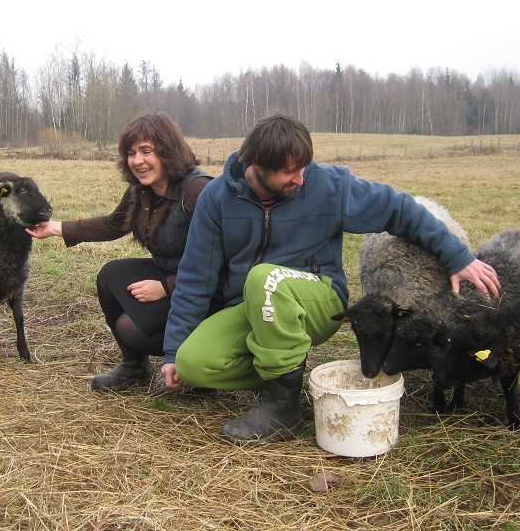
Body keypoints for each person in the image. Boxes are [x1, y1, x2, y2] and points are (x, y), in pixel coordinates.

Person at [160, 113, 500, 445]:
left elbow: (398, 208)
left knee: (264, 279)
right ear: (258, 166)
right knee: (194, 364)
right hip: (254, 305)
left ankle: (283, 408)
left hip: (318, 297)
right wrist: (173, 350)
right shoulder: (216, 199)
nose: (301, 179)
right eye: (290, 172)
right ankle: (287, 371)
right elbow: (195, 277)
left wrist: (458, 256)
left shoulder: (327, 185)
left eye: (304, 167)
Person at [27, 112, 212, 391]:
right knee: (110, 276)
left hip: (205, 291)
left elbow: (218, 263)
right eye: (131, 153)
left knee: (129, 328)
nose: (137, 161)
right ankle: (135, 366)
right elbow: (114, 224)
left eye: (146, 151)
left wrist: (166, 287)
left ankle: (197, 361)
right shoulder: (141, 189)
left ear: (167, 150)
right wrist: (55, 228)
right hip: (169, 275)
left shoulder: (198, 191)